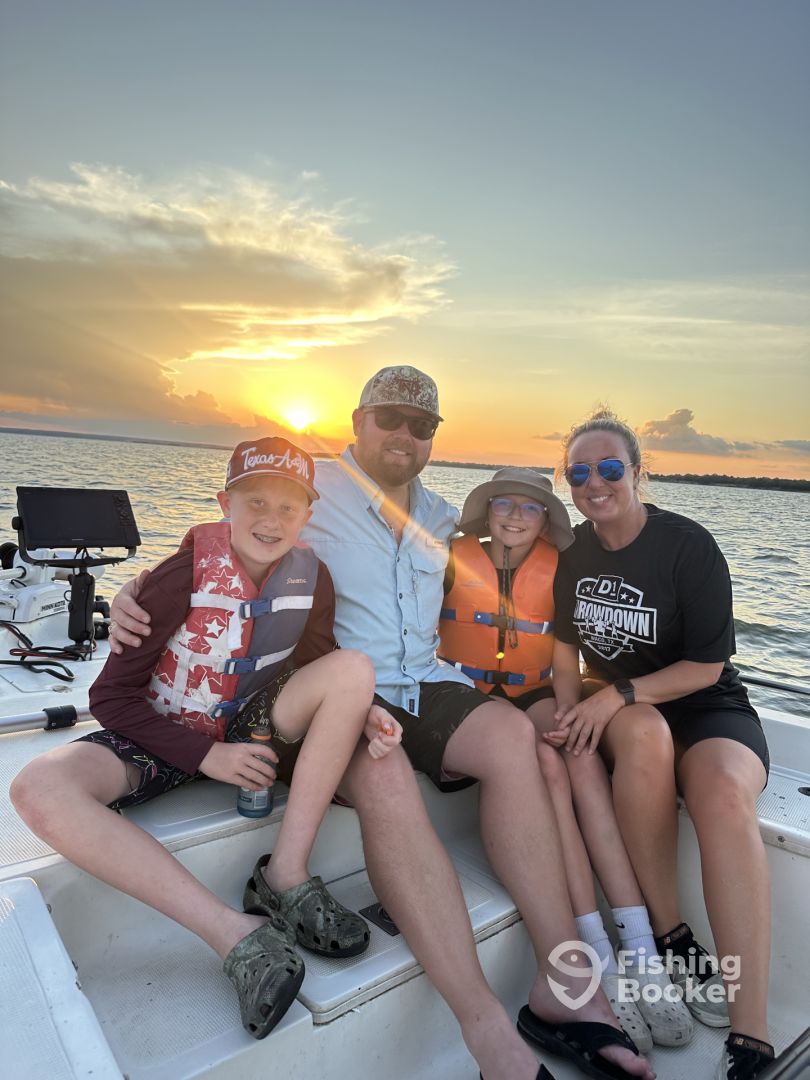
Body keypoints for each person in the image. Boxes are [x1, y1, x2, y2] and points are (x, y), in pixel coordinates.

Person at [108, 369, 655, 1080]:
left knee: (513, 737)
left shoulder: (442, 516)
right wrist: (132, 591)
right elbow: (230, 540)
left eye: (421, 425)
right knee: (386, 772)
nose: (404, 434)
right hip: (341, 692)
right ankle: (485, 1027)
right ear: (359, 420)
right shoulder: (314, 495)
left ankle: (563, 983)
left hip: (424, 680)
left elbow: (525, 564)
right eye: (390, 418)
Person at [10, 436, 403, 1041]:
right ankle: (232, 933)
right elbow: (109, 698)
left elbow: (318, 662)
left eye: (288, 507)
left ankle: (285, 876)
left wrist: (365, 710)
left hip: (251, 728)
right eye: (255, 502)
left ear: (307, 515)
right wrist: (205, 755)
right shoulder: (176, 579)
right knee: (37, 788)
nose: (271, 520)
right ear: (225, 504)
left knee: (354, 669)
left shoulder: (312, 578)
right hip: (161, 734)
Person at [547, 408, 773, 1079]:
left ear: (638, 472)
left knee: (725, 796)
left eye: (609, 467)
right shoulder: (573, 554)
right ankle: (672, 934)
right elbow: (563, 652)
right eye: (578, 473)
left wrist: (617, 694)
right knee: (643, 730)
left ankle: (752, 1025)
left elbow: (706, 666)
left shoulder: (688, 546)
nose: (594, 483)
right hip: (629, 714)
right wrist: (571, 712)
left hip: (704, 703)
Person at [439, 468, 693, 1053]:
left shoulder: (561, 566)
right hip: (468, 697)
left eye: (529, 508)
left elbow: (563, 655)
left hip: (535, 693)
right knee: (548, 767)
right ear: (486, 511)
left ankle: (639, 948)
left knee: (576, 755)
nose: (514, 516)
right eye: (504, 504)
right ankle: (594, 949)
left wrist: (570, 709)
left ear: (546, 521)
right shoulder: (452, 558)